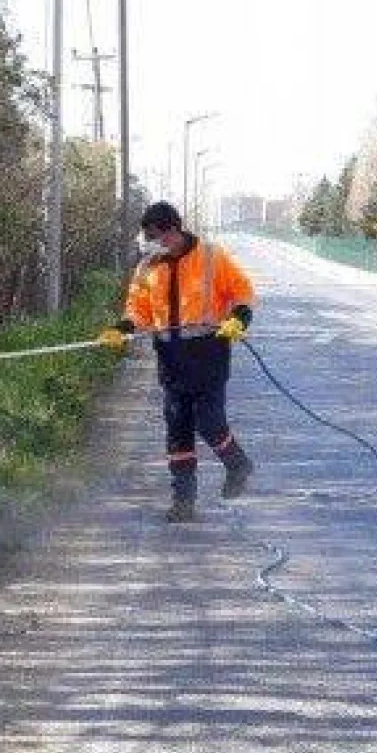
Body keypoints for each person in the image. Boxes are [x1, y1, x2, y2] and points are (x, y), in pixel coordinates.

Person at [98, 202, 257, 523]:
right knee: (178, 429)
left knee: (209, 421)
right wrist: (122, 328)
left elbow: (242, 291)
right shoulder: (148, 267)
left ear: (173, 230)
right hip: (170, 359)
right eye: (148, 237)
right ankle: (184, 501)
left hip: (209, 353)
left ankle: (237, 463)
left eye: (156, 236)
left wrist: (239, 319)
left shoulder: (212, 256)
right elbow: (138, 308)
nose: (152, 242)